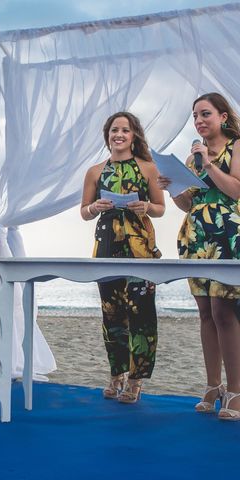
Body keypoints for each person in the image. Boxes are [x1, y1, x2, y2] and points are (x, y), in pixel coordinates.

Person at [159, 92, 240, 420]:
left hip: (227, 234)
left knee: (224, 312)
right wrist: (171, 188)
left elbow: (235, 190)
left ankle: (235, 391)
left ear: (222, 117)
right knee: (205, 312)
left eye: (205, 114)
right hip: (196, 235)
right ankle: (211, 385)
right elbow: (190, 202)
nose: (199, 121)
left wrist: (207, 162)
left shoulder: (235, 147)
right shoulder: (193, 158)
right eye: (195, 116)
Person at [80, 112, 165, 403]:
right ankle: (116, 373)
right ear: (107, 135)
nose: (119, 134)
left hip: (140, 247)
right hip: (106, 247)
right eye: (114, 129)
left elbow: (160, 208)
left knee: (141, 314)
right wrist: (95, 208)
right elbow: (83, 211)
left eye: (125, 130)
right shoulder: (94, 171)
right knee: (112, 314)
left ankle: (137, 379)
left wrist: (146, 207)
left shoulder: (148, 168)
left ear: (133, 136)